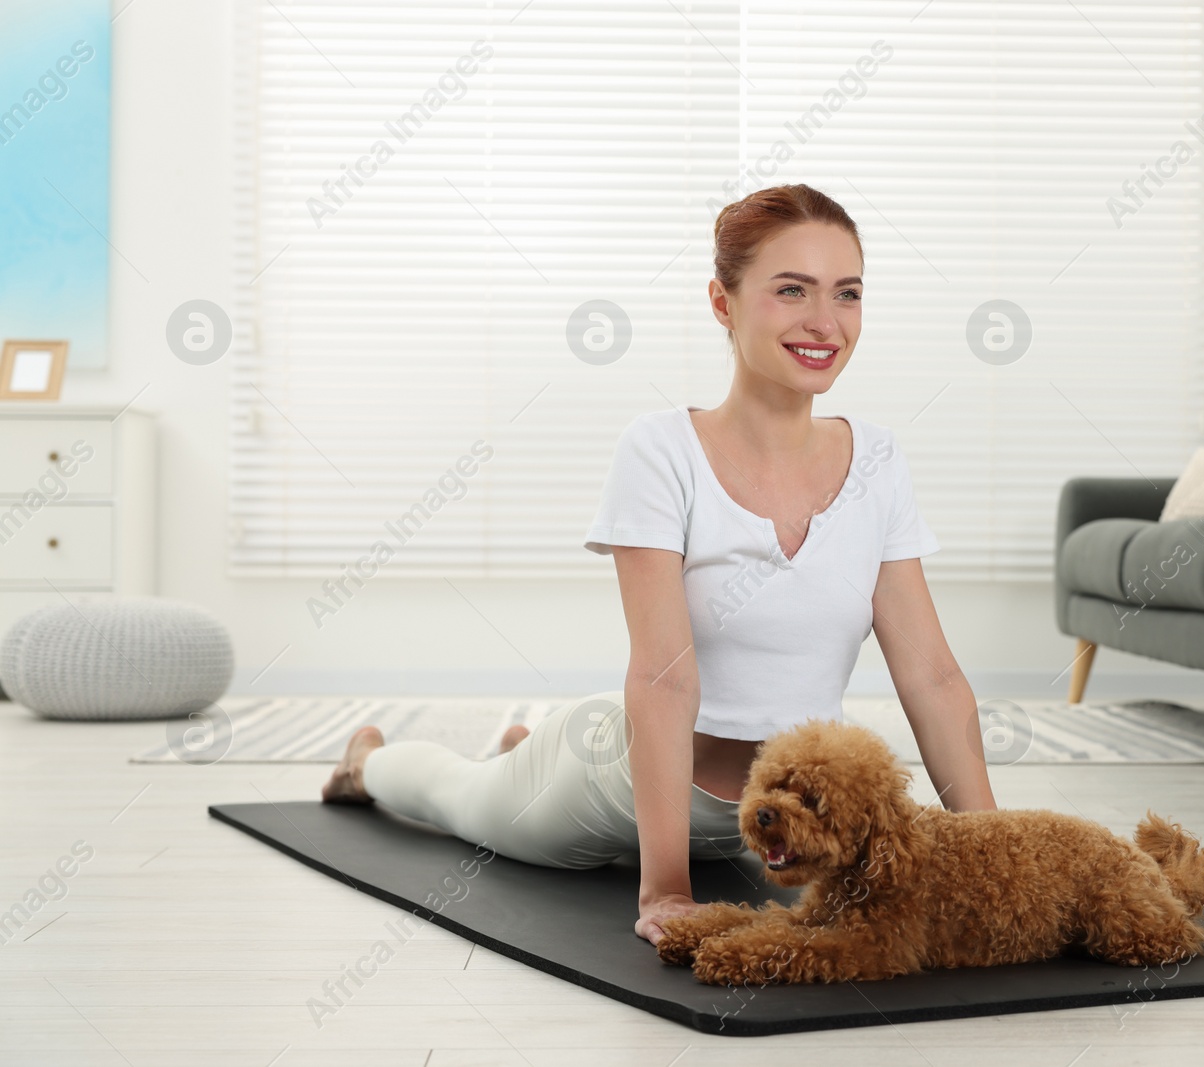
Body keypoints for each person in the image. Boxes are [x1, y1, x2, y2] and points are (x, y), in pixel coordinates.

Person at [321, 182, 997, 946]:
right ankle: (371, 761)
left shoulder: (878, 460)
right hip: (614, 782)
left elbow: (933, 677)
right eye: (790, 291)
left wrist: (996, 856)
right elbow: (664, 676)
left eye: (847, 293)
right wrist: (666, 888)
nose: (824, 322)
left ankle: (519, 750)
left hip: (780, 815)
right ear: (723, 302)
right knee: (460, 797)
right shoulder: (661, 451)